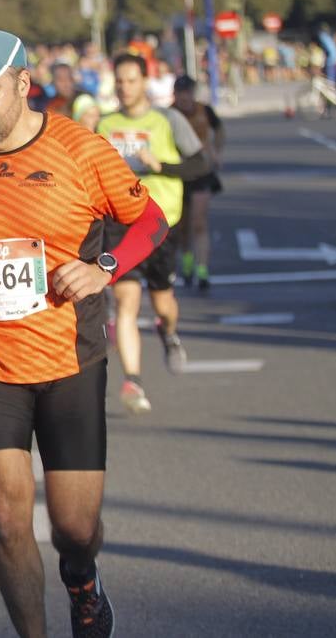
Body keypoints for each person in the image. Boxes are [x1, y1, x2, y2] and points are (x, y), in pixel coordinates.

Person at [0, 29, 170, 638]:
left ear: (23, 85)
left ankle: (82, 580)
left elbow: (152, 220)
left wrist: (104, 267)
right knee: (6, 517)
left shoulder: (81, 150)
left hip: (68, 360)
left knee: (74, 530)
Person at [98, 53, 209, 413]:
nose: (125, 88)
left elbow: (199, 163)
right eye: (119, 81)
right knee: (126, 301)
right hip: (120, 224)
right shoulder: (104, 124)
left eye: (131, 80)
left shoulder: (167, 119)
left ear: (145, 81)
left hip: (160, 223)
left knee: (164, 303)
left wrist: (161, 166)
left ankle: (169, 333)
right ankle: (133, 380)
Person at [171, 75, 224, 292]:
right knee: (182, 227)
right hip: (178, 173)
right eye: (180, 93)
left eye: (188, 93)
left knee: (199, 222)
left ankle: (202, 269)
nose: (185, 98)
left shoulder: (205, 111)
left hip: (201, 171)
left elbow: (219, 130)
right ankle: (187, 258)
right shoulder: (168, 114)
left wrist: (217, 152)